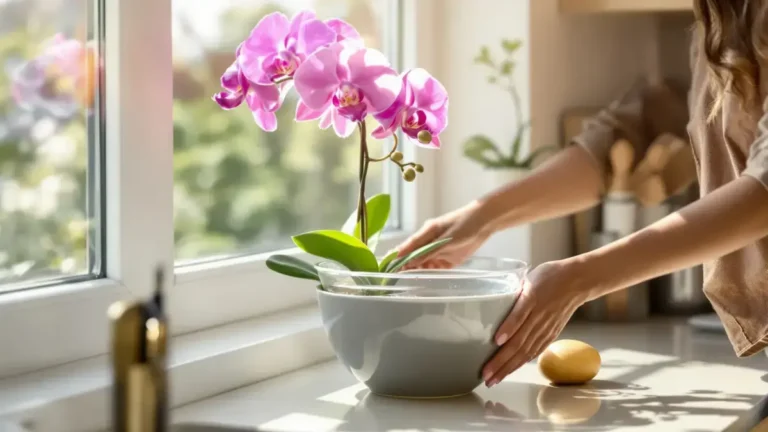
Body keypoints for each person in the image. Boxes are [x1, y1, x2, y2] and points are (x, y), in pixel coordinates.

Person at [396, 0, 768, 388]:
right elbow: (635, 136)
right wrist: (482, 216)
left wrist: (580, 278)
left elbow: (764, 190)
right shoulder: (720, 15)